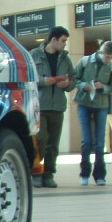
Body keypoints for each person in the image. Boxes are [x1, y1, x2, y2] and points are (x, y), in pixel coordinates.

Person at [30, 26, 74, 188]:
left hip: (58, 107)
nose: (65, 44)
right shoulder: (34, 55)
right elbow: (27, 78)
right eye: (63, 41)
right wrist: (43, 82)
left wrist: (68, 84)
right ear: (54, 39)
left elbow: (73, 78)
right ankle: (36, 171)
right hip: (40, 106)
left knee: (53, 143)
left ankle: (49, 173)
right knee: (40, 139)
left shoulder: (65, 59)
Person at [71, 40, 112, 185]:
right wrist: (84, 85)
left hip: (101, 105)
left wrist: (102, 87)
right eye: (107, 56)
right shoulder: (85, 61)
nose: (108, 60)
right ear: (101, 52)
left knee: (99, 142)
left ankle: (100, 176)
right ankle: (84, 173)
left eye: (111, 57)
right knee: (86, 141)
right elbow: (74, 79)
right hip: (84, 103)